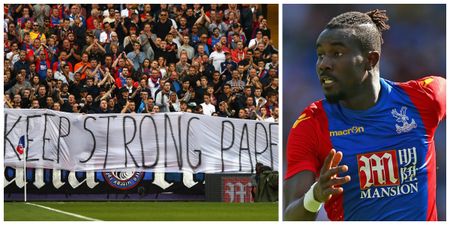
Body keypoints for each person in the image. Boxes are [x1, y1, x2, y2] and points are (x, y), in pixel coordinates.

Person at [284, 9, 445, 221]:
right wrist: (315, 196)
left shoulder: (424, 98)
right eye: (320, 55)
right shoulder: (312, 124)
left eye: (337, 53)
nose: (324, 64)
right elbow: (289, 217)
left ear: (370, 59)